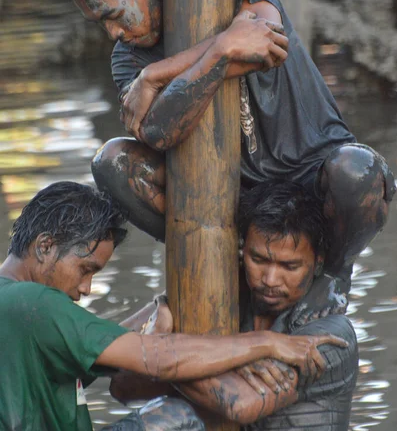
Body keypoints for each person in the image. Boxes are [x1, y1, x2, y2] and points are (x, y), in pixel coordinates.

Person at [54, 0, 395, 323]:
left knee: (359, 170)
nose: (113, 32)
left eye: (115, 15)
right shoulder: (128, 59)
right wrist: (221, 52)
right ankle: (220, 258)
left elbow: (267, 42)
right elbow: (160, 132)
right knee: (111, 163)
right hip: (234, 201)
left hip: (311, 170)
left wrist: (159, 75)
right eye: (101, 24)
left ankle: (335, 276)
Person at [0, 181, 345, 431]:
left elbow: (108, 352)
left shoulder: (17, 305)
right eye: (85, 269)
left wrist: (159, 310)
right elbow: (156, 358)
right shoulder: (35, 303)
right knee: (175, 419)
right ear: (44, 247)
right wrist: (267, 344)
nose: (86, 288)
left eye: (288, 266)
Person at [111, 182, 358, 430]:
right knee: (165, 416)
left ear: (317, 263)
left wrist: (161, 344)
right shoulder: (214, 302)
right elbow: (122, 385)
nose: (270, 280)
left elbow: (240, 403)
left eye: (289, 267)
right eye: (258, 259)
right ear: (241, 250)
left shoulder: (330, 335)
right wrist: (163, 316)